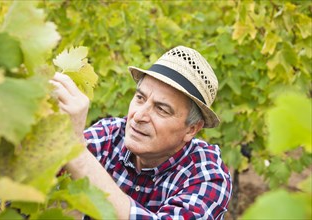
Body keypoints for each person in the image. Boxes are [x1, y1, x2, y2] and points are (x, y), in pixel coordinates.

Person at [50, 46, 232, 219]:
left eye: (161, 109)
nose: (138, 116)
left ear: (191, 129)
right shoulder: (109, 134)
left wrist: (75, 148)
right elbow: (42, 172)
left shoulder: (208, 175)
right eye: (140, 98)